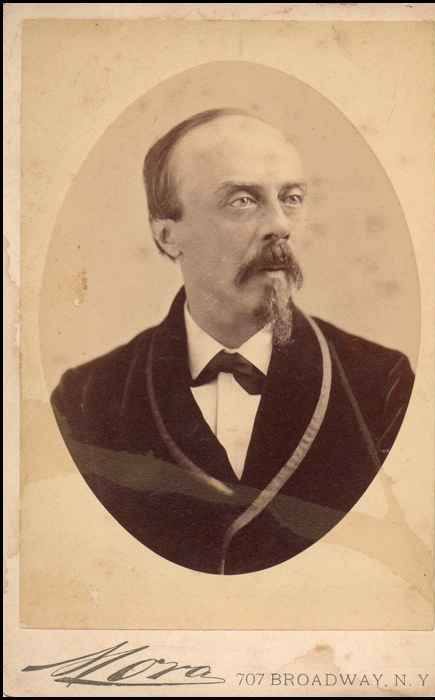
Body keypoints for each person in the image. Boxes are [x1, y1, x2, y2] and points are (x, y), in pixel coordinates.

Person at [51, 108, 415, 575]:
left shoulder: (382, 384)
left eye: (292, 198)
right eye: (242, 201)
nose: (280, 225)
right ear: (168, 236)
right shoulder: (86, 399)